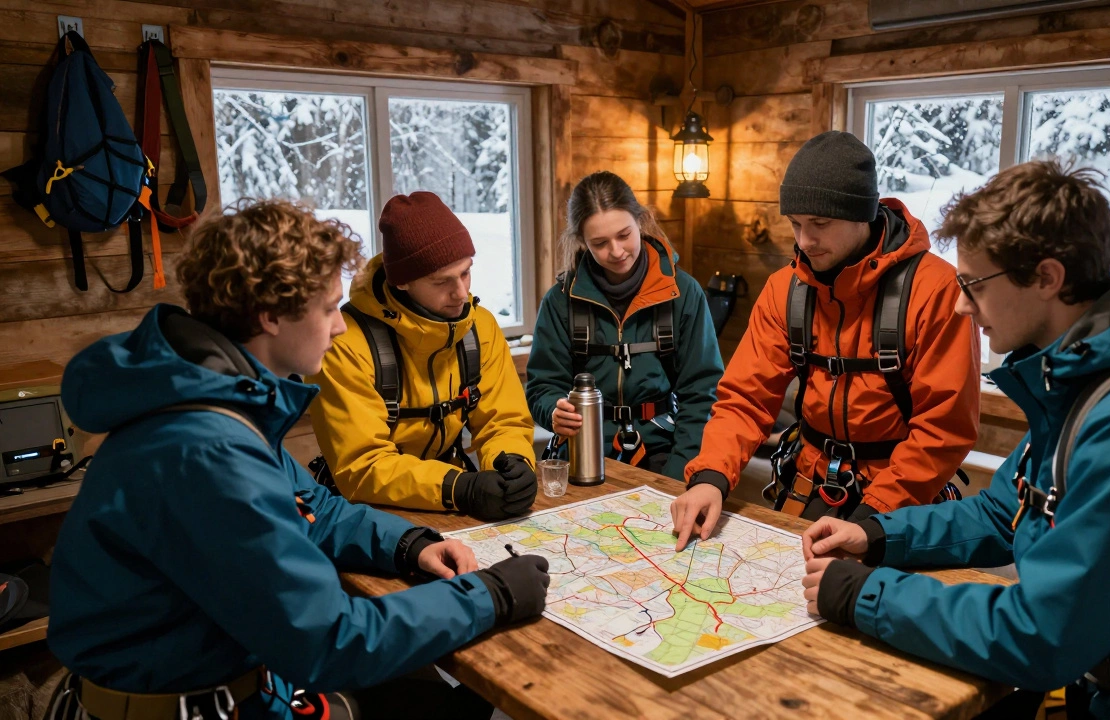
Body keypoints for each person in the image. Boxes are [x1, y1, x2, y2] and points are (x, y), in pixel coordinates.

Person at [800, 160, 1110, 719]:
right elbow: (1004, 513)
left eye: (973, 285)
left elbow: (1045, 633)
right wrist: (876, 535)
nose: (960, 305)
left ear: (1047, 278)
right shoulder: (1079, 380)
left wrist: (866, 595)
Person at [46, 200, 550, 720]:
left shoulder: (221, 398)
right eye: (329, 309)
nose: (340, 327)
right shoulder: (206, 450)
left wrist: (410, 544)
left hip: (231, 678)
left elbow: (314, 508)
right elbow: (329, 641)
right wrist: (489, 595)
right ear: (271, 316)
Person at [671, 131, 981, 549]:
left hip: (903, 494)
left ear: (862, 215)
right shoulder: (786, 289)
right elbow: (746, 399)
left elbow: (942, 429)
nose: (804, 241)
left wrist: (870, 521)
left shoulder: (936, 291)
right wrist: (710, 477)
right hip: (809, 482)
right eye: (795, 224)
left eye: (820, 224)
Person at [308, 191, 538, 518]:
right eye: (441, 282)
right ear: (402, 283)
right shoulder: (343, 344)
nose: (461, 293)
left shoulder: (480, 328)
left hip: (451, 500)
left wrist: (513, 461)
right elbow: (362, 466)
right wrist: (459, 488)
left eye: (465, 272)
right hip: (366, 513)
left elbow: (503, 421)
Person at [524, 171, 724, 480]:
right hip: (582, 454)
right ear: (582, 242)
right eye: (600, 243)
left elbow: (701, 394)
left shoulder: (683, 293)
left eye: (624, 235)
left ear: (640, 222)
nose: (616, 251)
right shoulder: (559, 301)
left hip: (664, 452)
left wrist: (677, 474)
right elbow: (542, 386)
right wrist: (553, 410)